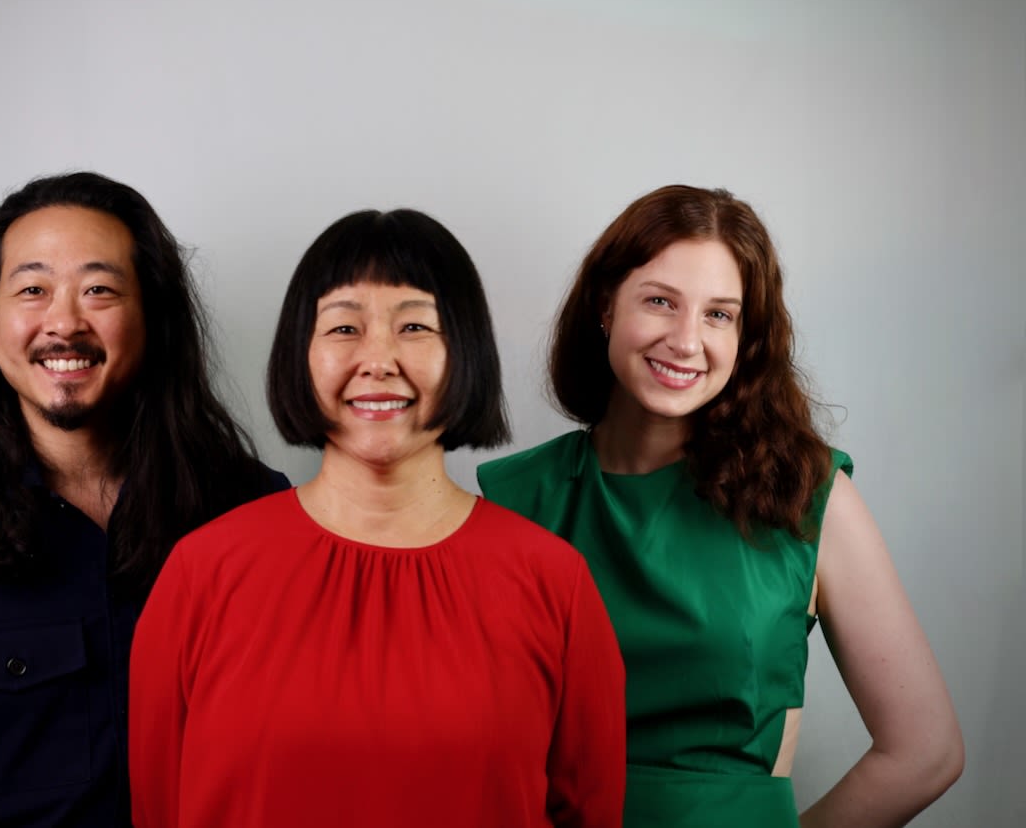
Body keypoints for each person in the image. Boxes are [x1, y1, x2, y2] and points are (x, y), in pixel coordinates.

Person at [478, 185, 964, 827]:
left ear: (745, 336)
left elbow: (925, 753)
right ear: (605, 305)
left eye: (719, 315)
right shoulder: (516, 500)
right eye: (659, 301)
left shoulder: (809, 495)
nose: (686, 340)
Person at [0, 172, 289, 827]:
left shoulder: (255, 514)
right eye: (32, 289)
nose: (64, 322)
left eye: (99, 289)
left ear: (154, 320)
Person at [129, 209, 627, 828]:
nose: (379, 359)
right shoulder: (201, 573)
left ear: (466, 351)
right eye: (343, 328)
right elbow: (156, 807)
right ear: (298, 354)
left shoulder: (555, 582)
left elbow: (590, 811)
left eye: (415, 325)